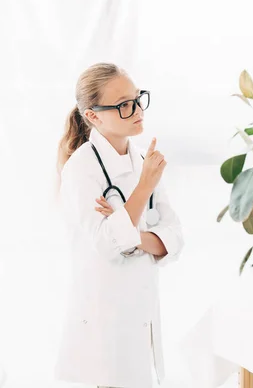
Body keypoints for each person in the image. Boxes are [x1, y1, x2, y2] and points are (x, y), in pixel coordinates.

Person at [54, 63, 184, 388]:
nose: (138, 109)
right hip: (105, 319)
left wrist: (130, 234)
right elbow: (109, 247)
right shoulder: (81, 169)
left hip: (141, 314)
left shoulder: (144, 159)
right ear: (94, 116)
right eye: (124, 105)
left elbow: (175, 238)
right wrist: (143, 189)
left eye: (138, 99)